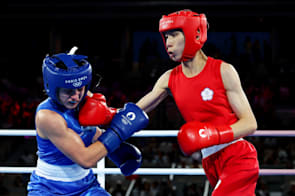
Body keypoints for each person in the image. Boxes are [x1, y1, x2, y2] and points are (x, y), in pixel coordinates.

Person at [136, 10, 259, 195]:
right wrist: (106, 113)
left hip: (237, 155)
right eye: (166, 36)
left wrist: (214, 134)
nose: (168, 42)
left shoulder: (223, 71)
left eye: (174, 35)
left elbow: (250, 123)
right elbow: (134, 112)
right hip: (209, 161)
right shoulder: (169, 78)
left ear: (196, 33)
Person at [27, 47, 149, 195]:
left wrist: (117, 148)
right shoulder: (47, 116)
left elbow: (91, 130)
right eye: (69, 91)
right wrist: (117, 134)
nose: (76, 96)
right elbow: (86, 160)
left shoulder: (83, 98)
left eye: (81, 89)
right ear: (53, 88)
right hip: (49, 189)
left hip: (86, 186)